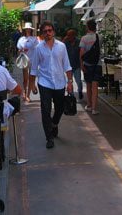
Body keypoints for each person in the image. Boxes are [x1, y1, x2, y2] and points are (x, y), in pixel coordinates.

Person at [29, 21, 73, 149]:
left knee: (59, 108)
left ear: (53, 32)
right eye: (45, 31)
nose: (48, 33)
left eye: (50, 30)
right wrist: (32, 84)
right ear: (42, 34)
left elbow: (67, 65)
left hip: (59, 83)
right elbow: (34, 67)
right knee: (45, 110)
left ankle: (54, 123)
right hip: (44, 83)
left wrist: (70, 82)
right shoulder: (38, 48)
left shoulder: (61, 46)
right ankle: (49, 138)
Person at [80, 19, 101, 115]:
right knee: (95, 86)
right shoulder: (100, 37)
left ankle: (89, 105)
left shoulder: (84, 38)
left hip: (87, 64)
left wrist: (81, 65)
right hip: (98, 64)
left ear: (88, 27)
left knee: (88, 85)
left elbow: (81, 53)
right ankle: (94, 108)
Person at [16, 23, 37, 102]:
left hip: (33, 59)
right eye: (26, 29)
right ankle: (24, 93)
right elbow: (18, 49)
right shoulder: (21, 39)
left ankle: (28, 95)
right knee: (25, 79)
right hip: (24, 59)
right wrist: (21, 51)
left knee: (31, 78)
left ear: (31, 30)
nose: (28, 30)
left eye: (29, 29)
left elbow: (37, 49)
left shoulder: (34, 39)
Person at [63, 29, 83, 100]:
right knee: (69, 81)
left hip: (77, 64)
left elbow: (81, 52)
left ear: (74, 36)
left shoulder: (79, 41)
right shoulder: (66, 42)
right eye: (68, 35)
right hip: (68, 66)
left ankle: (80, 91)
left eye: (70, 35)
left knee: (78, 81)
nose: (68, 37)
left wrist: (81, 64)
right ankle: (71, 95)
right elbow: (61, 49)